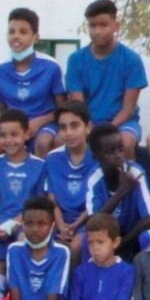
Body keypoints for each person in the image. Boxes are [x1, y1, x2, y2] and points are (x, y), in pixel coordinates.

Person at [64, 0, 149, 148]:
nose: (97, 31)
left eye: (103, 25)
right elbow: (78, 105)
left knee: (125, 142)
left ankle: (126, 172)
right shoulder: (76, 60)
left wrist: (106, 129)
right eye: (92, 26)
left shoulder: (131, 59)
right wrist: (88, 127)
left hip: (122, 123)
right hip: (87, 123)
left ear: (116, 26)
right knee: (61, 141)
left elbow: (128, 110)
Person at [0, 7, 65, 158]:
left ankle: (43, 181)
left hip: (43, 125)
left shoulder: (51, 67)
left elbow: (62, 109)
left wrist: (38, 122)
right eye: (11, 31)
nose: (16, 36)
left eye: (23, 32)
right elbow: (1, 111)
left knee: (43, 142)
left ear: (36, 37)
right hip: (12, 126)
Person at [0, 109, 49, 247]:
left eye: (14, 135)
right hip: (0, 224)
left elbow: (40, 202)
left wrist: (17, 222)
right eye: (3, 135)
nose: (8, 140)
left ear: (27, 134)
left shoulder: (40, 166)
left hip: (28, 223)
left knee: (22, 243)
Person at [83, 123, 150, 249]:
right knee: (86, 241)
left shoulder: (135, 173)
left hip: (132, 236)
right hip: (104, 236)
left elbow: (149, 218)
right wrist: (121, 192)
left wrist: (122, 243)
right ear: (96, 156)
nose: (118, 156)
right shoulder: (94, 178)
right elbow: (93, 223)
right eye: (110, 152)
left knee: (147, 237)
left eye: (120, 149)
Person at [42, 101, 100, 242]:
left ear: (88, 127)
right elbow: (52, 199)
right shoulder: (52, 158)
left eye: (74, 126)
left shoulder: (98, 157)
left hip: (88, 220)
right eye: (63, 127)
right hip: (58, 221)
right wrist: (61, 226)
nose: (68, 133)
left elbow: (97, 202)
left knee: (77, 245)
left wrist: (74, 226)